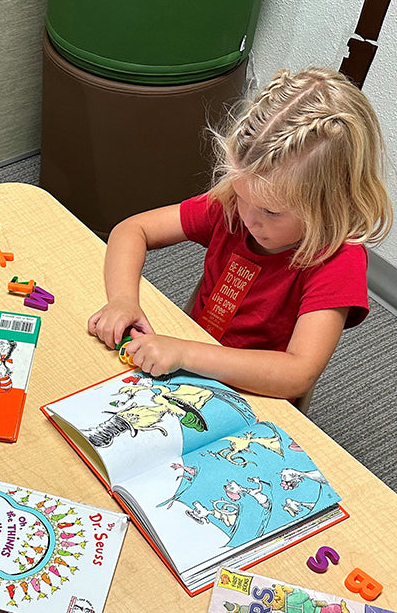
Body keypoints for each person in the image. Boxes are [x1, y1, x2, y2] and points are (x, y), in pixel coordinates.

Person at [87, 67, 392, 402]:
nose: (248, 218)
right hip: (188, 360)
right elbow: (133, 229)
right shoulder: (233, 205)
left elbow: (297, 374)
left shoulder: (337, 261)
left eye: (271, 212)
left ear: (330, 204)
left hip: (255, 394)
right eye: (241, 194)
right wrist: (122, 301)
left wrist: (187, 354)